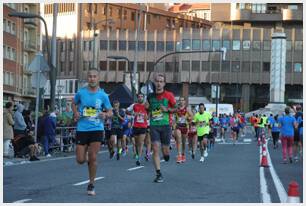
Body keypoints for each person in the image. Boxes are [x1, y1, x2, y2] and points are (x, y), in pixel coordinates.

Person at [72, 68, 112, 196]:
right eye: (90, 76)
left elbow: (110, 111)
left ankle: (91, 184)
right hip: (82, 129)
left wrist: (105, 115)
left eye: (94, 76)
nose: (92, 79)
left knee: (93, 156)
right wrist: (76, 112)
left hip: (96, 129)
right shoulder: (81, 92)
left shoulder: (103, 95)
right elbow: (73, 103)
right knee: (80, 160)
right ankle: (86, 158)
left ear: (98, 78)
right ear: (87, 78)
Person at [145, 73, 176, 183]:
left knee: (165, 151)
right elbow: (147, 110)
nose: (159, 83)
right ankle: (158, 173)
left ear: (164, 83)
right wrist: (146, 109)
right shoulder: (150, 96)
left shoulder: (169, 95)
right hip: (154, 125)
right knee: (155, 148)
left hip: (166, 126)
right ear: (154, 82)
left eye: (161, 81)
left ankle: (166, 155)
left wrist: (167, 109)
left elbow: (176, 108)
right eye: (157, 81)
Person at [173, 96, 193, 163]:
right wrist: (173, 127)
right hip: (178, 126)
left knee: (184, 142)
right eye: (180, 100)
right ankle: (179, 156)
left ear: (184, 101)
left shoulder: (187, 109)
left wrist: (189, 120)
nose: (181, 101)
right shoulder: (176, 109)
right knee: (178, 139)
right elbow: (174, 118)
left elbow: (192, 116)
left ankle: (183, 154)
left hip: (185, 126)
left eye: (182, 100)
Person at [132, 93, 149, 166]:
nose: (140, 98)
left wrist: (147, 117)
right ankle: (138, 154)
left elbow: (150, 113)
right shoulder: (134, 105)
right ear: (137, 98)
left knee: (141, 142)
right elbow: (127, 111)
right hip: (135, 126)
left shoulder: (146, 106)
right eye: (139, 97)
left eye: (141, 97)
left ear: (143, 98)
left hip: (143, 126)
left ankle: (138, 158)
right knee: (136, 143)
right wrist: (134, 113)